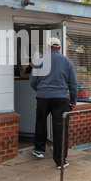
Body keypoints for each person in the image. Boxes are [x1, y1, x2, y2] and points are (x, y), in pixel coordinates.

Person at [29, 37, 78, 169]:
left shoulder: (40, 60)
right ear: (59, 48)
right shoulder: (67, 61)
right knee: (60, 128)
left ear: (48, 47)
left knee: (40, 122)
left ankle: (39, 150)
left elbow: (33, 81)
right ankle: (61, 161)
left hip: (43, 97)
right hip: (61, 98)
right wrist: (73, 101)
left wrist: (41, 90)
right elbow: (73, 84)